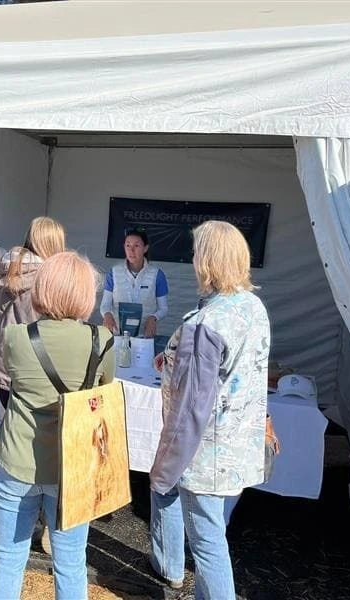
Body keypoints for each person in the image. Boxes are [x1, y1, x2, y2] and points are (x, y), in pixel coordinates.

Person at [149, 221, 270, 599]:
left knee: (208, 545)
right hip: (237, 446)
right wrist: (173, 359)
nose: (193, 259)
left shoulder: (207, 322)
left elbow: (190, 409)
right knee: (212, 537)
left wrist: (165, 466)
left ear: (207, 260)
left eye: (196, 252)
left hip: (205, 455)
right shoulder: (252, 306)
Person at [0, 252, 116, 600]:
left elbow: (14, 382)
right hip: (71, 466)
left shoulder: (16, 337)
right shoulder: (102, 340)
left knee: (8, 559)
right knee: (71, 563)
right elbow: (102, 394)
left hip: (18, 458)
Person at [0, 216, 66, 409]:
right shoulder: (48, 280)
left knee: (10, 423)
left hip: (6, 363)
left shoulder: (6, 269)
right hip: (38, 368)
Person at [100, 227, 168, 338]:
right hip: (117, 336)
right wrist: (107, 315)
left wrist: (154, 317)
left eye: (136, 246)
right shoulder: (113, 273)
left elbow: (163, 308)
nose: (131, 250)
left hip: (144, 337)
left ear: (145, 248)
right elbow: (105, 305)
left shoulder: (157, 275)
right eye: (128, 245)